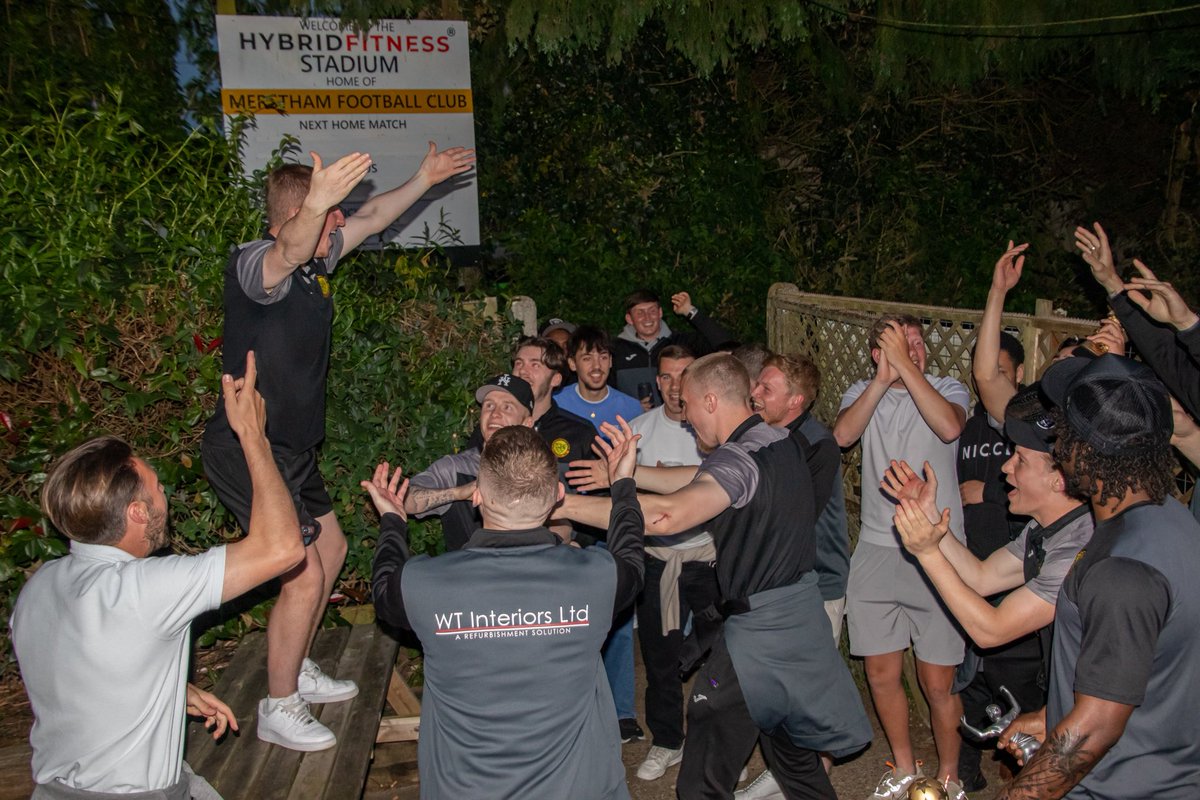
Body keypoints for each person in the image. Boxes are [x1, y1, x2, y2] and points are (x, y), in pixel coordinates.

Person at [199, 143, 474, 750]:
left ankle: (293, 665)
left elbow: (373, 219)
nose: (343, 224)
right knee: (298, 569)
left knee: (334, 544)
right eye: (333, 214)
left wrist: (424, 179)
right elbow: (287, 247)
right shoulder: (257, 266)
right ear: (303, 214)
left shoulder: (315, 266)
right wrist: (315, 208)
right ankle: (278, 703)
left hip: (293, 451)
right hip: (249, 447)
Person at [560, 353, 871, 800]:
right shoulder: (777, 439)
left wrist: (621, 484)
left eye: (686, 406)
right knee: (794, 762)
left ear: (709, 400)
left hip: (762, 637)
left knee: (702, 776)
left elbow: (667, 515)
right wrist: (612, 482)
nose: (685, 420)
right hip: (798, 625)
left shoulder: (739, 458)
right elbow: (698, 477)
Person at [11, 352, 305, 797]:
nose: (165, 494)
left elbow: (80, 664)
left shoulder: (39, 586)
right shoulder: (144, 590)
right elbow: (283, 548)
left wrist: (173, 689)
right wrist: (253, 436)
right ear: (136, 513)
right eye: (157, 489)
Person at [365, 425, 644, 799]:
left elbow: (384, 586)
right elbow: (631, 556)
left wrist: (393, 520)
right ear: (558, 495)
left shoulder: (423, 584)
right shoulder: (596, 578)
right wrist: (622, 484)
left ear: (477, 496)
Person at [995, 355, 1200, 799]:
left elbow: (1094, 731)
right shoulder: (1171, 518)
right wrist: (1057, 713)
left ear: (1084, 451)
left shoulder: (1122, 571)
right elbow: (1142, 671)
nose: (1055, 438)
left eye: (1063, 429)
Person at [884, 386, 1093, 791]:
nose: (1005, 469)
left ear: (1058, 478)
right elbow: (981, 576)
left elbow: (992, 630)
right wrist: (930, 521)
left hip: (1105, 716)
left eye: (1021, 460)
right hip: (1072, 703)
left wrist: (927, 554)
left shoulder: (1077, 545)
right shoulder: (1045, 530)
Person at [832, 314, 969, 800]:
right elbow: (843, 435)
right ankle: (906, 768)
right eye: (899, 343)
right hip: (875, 547)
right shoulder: (860, 391)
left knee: (938, 680)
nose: (915, 349)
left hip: (938, 551)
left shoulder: (946, 386)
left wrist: (907, 369)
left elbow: (950, 428)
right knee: (881, 671)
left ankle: (950, 777)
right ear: (877, 353)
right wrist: (882, 377)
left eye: (917, 342)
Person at [738, 352, 850, 800]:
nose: (755, 393)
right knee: (777, 684)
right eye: (756, 385)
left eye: (766, 388)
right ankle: (785, 769)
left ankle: (802, 778)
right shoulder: (766, 435)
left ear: (796, 400)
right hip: (776, 582)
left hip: (816, 581)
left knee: (809, 690)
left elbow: (791, 515)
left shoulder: (817, 444)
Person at [627, 346, 719, 781]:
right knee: (660, 658)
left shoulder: (714, 430)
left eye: (684, 375)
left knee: (722, 651)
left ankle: (721, 740)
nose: (675, 385)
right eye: (666, 377)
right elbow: (624, 499)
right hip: (657, 559)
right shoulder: (638, 430)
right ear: (656, 380)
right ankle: (667, 740)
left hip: (707, 557)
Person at [554, 325, 644, 740]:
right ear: (572, 363)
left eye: (604, 356)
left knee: (619, 617)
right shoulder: (556, 406)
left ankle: (623, 710)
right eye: (587, 357)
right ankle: (573, 710)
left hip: (610, 525)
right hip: (565, 528)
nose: (597, 365)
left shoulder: (630, 407)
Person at [403, 375, 536, 550]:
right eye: (489, 405)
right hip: (467, 574)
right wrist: (460, 493)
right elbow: (406, 502)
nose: (495, 413)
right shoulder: (457, 467)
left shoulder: (541, 469)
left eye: (507, 407)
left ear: (527, 423)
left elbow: (561, 529)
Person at [610, 289, 734, 407]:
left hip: (681, 423)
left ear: (660, 313)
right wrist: (632, 407)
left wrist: (690, 311)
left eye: (652, 311)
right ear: (629, 319)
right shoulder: (615, 349)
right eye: (640, 313)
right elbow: (605, 393)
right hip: (633, 425)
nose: (647, 318)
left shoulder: (683, 342)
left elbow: (726, 346)